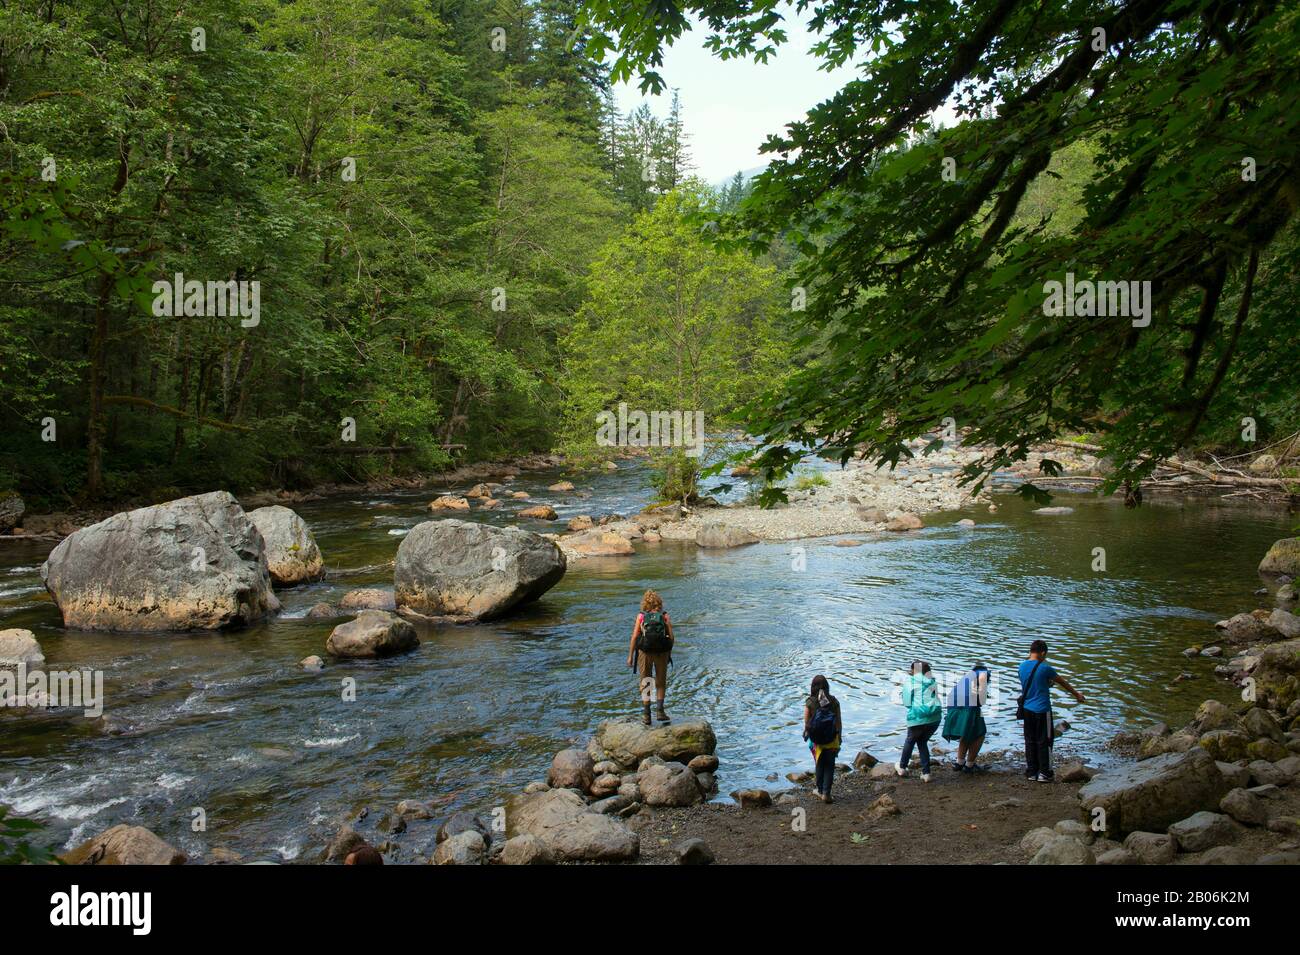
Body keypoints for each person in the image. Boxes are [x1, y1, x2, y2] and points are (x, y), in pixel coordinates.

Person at [1018, 639, 1085, 782]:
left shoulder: (1021, 666)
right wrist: (1077, 694)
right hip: (1042, 709)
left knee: (1030, 740)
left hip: (1027, 709)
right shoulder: (1045, 668)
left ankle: (1031, 772)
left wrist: (1046, 684)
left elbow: (1031, 684)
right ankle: (1045, 773)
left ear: (1031, 651)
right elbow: (1063, 682)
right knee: (1045, 740)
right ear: (1042, 653)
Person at [627, 589, 674, 725]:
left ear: (645, 604)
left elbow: (635, 637)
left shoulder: (641, 616)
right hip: (661, 652)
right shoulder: (664, 616)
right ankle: (660, 712)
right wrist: (669, 653)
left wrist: (630, 656)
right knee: (660, 682)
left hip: (645, 652)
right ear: (659, 603)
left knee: (646, 680)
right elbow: (671, 636)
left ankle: (647, 715)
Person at [896, 661, 941, 782]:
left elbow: (907, 703)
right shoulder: (933, 681)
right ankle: (926, 773)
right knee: (922, 742)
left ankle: (902, 767)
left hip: (918, 718)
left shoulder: (910, 682)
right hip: (935, 719)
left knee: (910, 740)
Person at [942, 663, 989, 773]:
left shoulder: (968, 675)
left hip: (953, 703)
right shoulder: (983, 672)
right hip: (968, 705)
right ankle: (969, 765)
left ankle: (960, 762)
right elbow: (982, 680)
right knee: (980, 733)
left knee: (966, 731)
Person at [802, 675, 842, 803]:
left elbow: (806, 723)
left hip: (816, 741)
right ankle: (827, 793)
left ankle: (819, 791)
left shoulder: (810, 702)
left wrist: (807, 734)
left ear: (813, 687)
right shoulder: (834, 701)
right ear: (827, 687)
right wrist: (839, 737)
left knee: (819, 764)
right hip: (831, 739)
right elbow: (838, 722)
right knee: (830, 766)